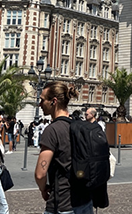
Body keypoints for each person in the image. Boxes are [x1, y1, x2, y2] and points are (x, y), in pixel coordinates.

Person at [35, 81, 94, 214]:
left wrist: (43, 189)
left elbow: (40, 174)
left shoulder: (52, 130)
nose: (40, 104)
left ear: (53, 101)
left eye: (42, 100)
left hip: (63, 203)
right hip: (84, 200)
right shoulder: (80, 126)